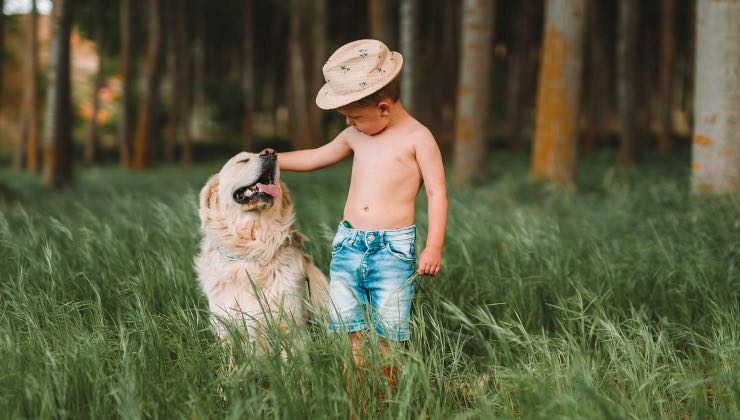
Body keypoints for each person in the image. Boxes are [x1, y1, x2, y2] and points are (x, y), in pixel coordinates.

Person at [274, 39, 447, 390]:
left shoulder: (418, 138)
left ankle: (387, 396)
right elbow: (316, 156)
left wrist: (433, 247)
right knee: (347, 326)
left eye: (355, 117)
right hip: (349, 245)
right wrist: (274, 159)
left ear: (384, 108)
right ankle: (355, 396)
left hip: (392, 250)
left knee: (390, 331)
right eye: (347, 118)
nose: (350, 124)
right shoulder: (357, 135)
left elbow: (436, 193)